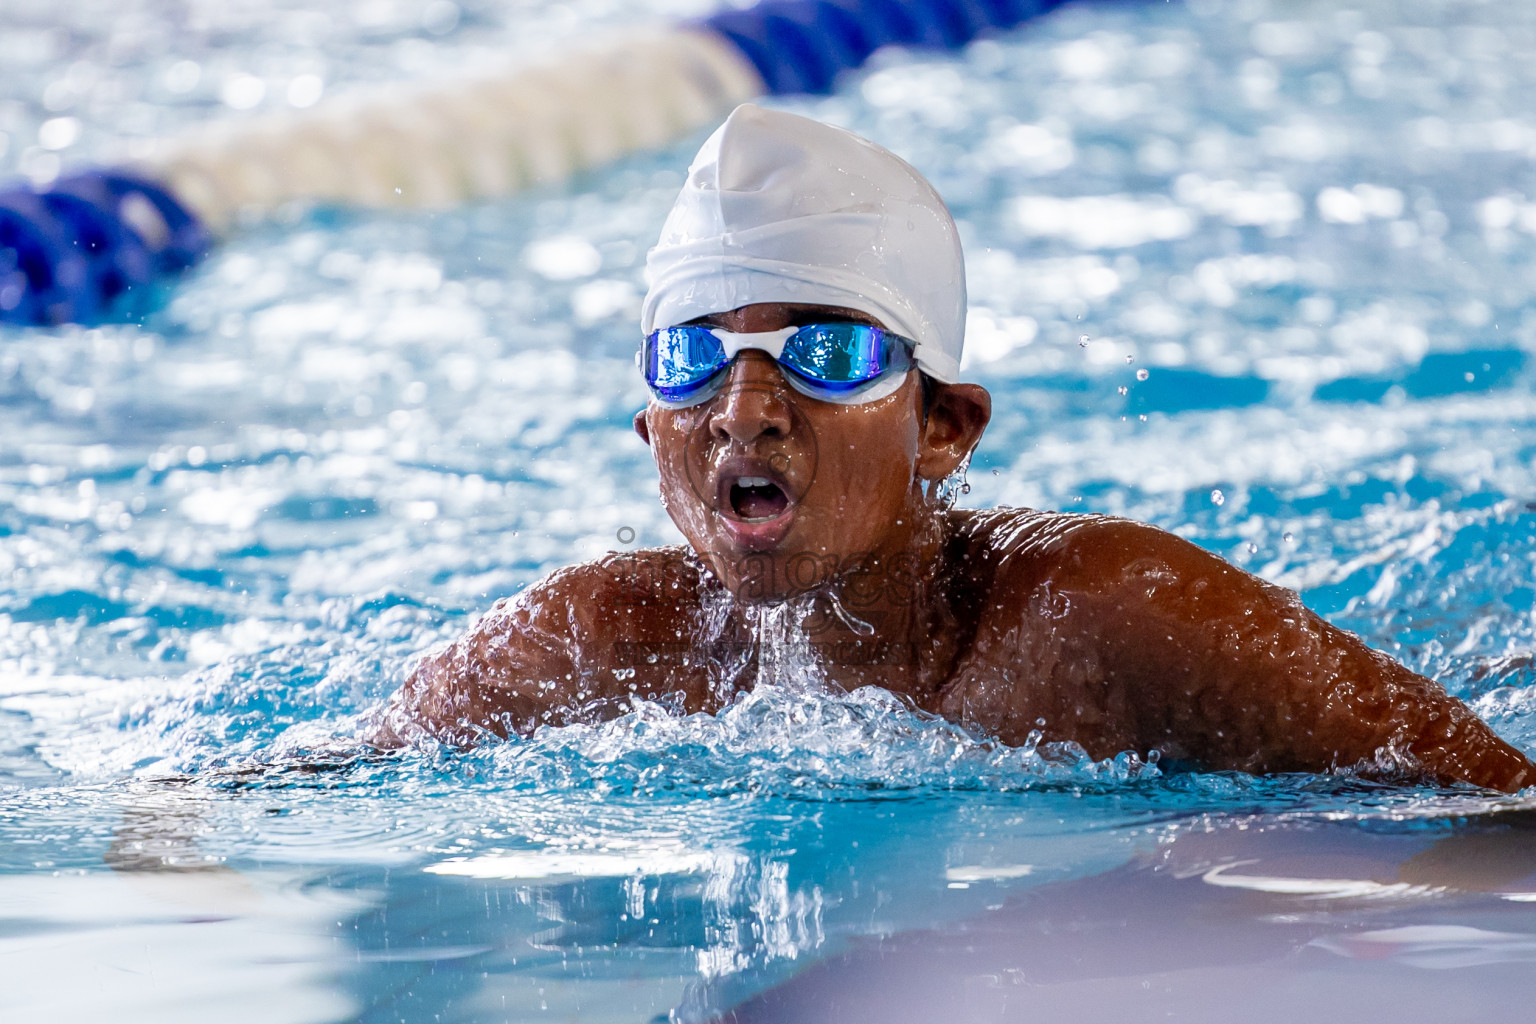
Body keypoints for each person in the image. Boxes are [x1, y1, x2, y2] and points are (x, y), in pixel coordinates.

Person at [377, 104, 1533, 793]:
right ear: (649, 434)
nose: (744, 407)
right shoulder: (595, 644)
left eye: (823, 351)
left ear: (943, 427)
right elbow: (285, 792)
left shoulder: (1105, 617)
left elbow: (1495, 803)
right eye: (693, 359)